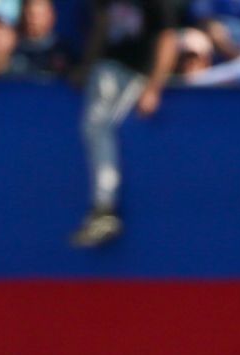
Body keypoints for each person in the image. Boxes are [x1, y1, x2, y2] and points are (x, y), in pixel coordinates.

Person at [68, 0, 178, 248]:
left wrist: (154, 87)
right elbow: (102, 26)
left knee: (98, 125)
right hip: (108, 69)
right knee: (97, 124)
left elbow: (168, 39)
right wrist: (87, 65)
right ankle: (103, 208)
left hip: (135, 74)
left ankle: (104, 208)